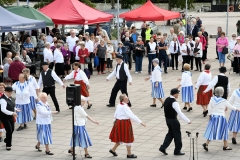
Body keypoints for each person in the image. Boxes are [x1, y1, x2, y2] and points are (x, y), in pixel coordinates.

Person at [109, 94, 146, 158]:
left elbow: (115, 113)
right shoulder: (125, 107)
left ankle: (113, 149)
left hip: (118, 122)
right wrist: (140, 122)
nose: (127, 99)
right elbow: (131, 115)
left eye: (127, 98)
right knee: (128, 138)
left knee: (120, 137)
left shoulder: (119, 105)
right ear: (123, 100)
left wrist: (114, 120)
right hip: (124, 123)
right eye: (126, 98)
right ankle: (129, 154)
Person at [203, 87, 238, 152]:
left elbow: (209, 109)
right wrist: (237, 109)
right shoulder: (223, 101)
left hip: (213, 117)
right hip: (221, 118)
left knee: (212, 131)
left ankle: (206, 144)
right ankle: (225, 146)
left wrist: (209, 116)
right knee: (224, 131)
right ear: (222, 92)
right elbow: (231, 106)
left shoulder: (212, 99)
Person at [159, 88, 191, 156]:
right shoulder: (174, 102)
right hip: (173, 120)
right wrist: (187, 120)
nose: (178, 95)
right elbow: (180, 113)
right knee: (177, 135)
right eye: (177, 93)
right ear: (174, 94)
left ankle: (163, 147)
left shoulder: (167, 99)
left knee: (170, 134)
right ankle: (177, 150)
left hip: (167, 119)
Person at [0, 86, 19, 150]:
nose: (10, 93)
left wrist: (16, 109)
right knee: (9, 130)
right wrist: (12, 113)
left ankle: (6, 139)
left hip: (10, 116)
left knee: (12, 129)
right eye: (9, 92)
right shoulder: (2, 100)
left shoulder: (11, 98)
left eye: (11, 92)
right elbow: (3, 109)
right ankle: (8, 145)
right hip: (4, 117)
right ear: (5, 92)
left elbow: (11, 106)